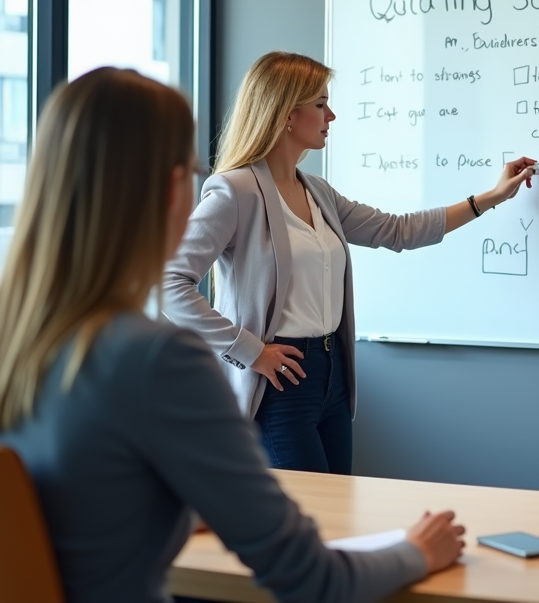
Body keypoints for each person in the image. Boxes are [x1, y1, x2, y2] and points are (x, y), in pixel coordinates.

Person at [0, 68, 466, 603]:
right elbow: (312, 577)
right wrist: (419, 551)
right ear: (173, 189)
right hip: (286, 380)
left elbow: (94, 508)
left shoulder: (26, 347)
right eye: (191, 171)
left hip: (330, 372)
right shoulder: (158, 360)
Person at [163, 51, 536, 475]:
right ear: (286, 114)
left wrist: (491, 197)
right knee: (309, 517)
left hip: (333, 374)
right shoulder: (235, 191)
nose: (332, 115)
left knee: (338, 511)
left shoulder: (318, 191)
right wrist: (250, 352)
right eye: (321, 104)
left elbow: (398, 231)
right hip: (281, 379)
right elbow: (170, 284)